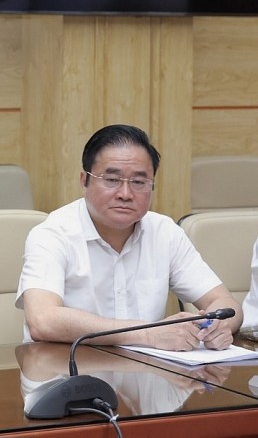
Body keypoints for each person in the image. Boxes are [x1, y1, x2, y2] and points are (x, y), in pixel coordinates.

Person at [16, 124, 243, 351]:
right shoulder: (52, 234)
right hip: (68, 368)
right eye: (112, 180)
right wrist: (148, 333)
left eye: (139, 182)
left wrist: (219, 326)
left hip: (146, 369)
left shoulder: (164, 232)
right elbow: (42, 320)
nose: (125, 194)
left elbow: (227, 304)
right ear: (84, 181)